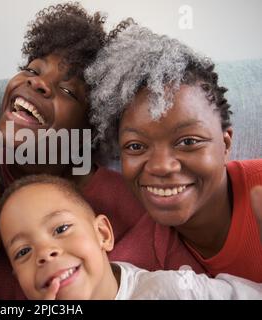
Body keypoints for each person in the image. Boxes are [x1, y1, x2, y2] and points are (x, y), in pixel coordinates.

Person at [0, 3, 205, 299]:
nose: (37, 83)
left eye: (67, 91)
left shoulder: (138, 206)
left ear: (92, 127)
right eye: (31, 69)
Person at [86, 22, 262, 282]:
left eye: (188, 141)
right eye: (136, 146)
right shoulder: (138, 265)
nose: (161, 166)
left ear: (225, 144)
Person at [0, 174, 262, 300]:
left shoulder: (171, 292)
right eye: (23, 252)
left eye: (60, 229)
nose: (45, 252)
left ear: (102, 234)